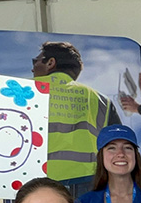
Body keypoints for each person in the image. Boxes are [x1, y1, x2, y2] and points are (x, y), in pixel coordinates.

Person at [32, 41, 122, 185]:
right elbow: (118, 145)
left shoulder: (22, 92)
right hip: (88, 181)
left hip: (37, 180)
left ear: (50, 63)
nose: (33, 68)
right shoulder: (101, 100)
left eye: (34, 61)